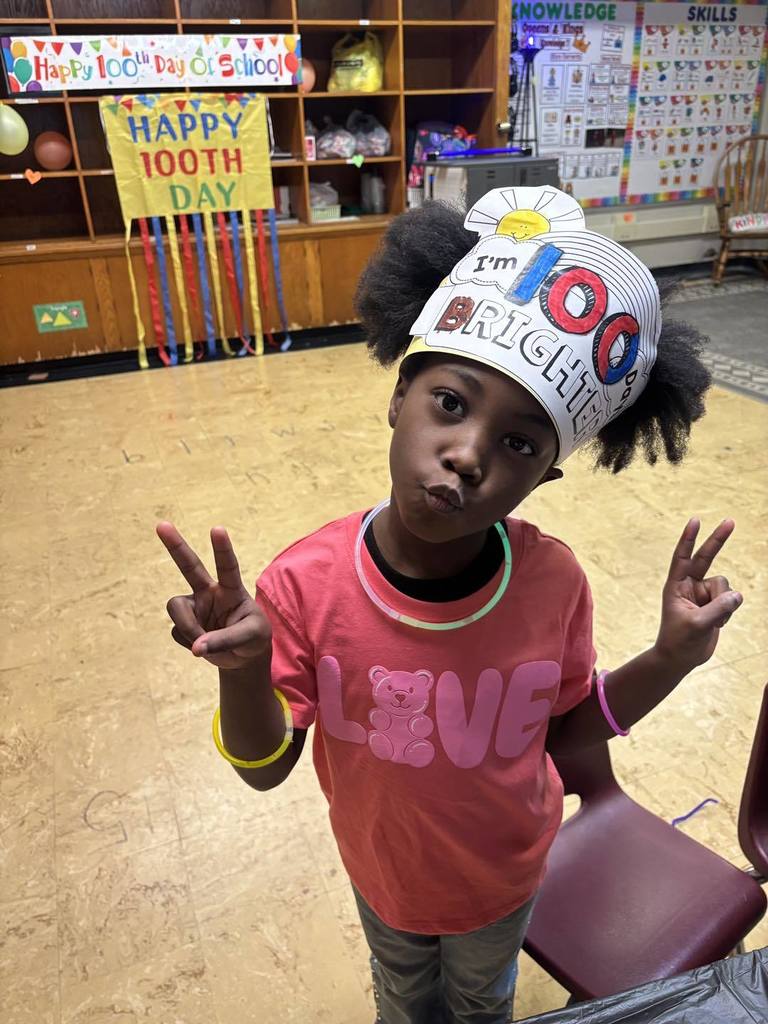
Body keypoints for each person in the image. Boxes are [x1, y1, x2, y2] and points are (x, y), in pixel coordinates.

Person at [157, 187, 743, 1024]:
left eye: (517, 444)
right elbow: (265, 767)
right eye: (450, 403)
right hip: (385, 877)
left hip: (505, 878)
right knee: (403, 997)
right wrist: (244, 672)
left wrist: (672, 658)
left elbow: (567, 733)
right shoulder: (303, 586)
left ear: (546, 474)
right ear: (399, 398)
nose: (467, 454)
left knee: (481, 1002)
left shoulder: (553, 583)